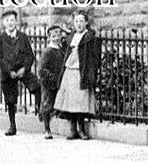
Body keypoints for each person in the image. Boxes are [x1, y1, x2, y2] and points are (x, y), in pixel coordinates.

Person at [0, 9, 40, 136]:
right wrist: (9, 71)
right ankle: (12, 125)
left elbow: (30, 55)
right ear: (4, 22)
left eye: (12, 20)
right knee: (10, 100)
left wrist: (24, 68)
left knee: (36, 86)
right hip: (8, 72)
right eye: (7, 20)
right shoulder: (0, 39)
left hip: (21, 69)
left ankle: (39, 107)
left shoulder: (23, 37)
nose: (10, 23)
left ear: (16, 22)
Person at [56, 10, 100, 140]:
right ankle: (72, 129)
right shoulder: (70, 37)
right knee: (70, 102)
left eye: (81, 21)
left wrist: (91, 72)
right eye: (76, 21)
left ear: (86, 22)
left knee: (81, 102)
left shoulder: (90, 37)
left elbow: (95, 57)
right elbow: (65, 54)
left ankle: (81, 130)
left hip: (82, 72)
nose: (79, 24)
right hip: (70, 71)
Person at [37, 25, 66, 139]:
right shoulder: (48, 51)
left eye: (59, 35)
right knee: (47, 105)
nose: (57, 38)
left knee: (56, 104)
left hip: (59, 81)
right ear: (49, 38)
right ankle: (47, 129)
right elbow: (41, 69)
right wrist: (52, 77)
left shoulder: (61, 49)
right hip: (49, 83)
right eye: (53, 36)